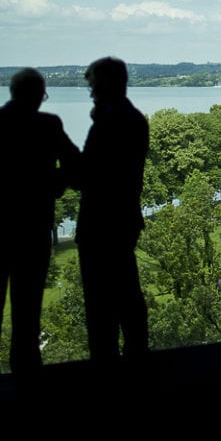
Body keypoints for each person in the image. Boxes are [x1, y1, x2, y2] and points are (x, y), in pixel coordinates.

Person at [0, 68, 79, 384]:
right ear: (38, 95)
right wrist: (52, 184)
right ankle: (27, 381)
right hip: (33, 230)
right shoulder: (48, 125)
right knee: (27, 313)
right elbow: (75, 165)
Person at [75, 57, 149, 364]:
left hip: (101, 225)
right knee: (126, 294)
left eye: (93, 86)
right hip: (123, 220)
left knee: (101, 302)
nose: (91, 93)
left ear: (106, 85)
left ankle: (107, 365)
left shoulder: (110, 122)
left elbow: (86, 174)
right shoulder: (131, 118)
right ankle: (136, 358)